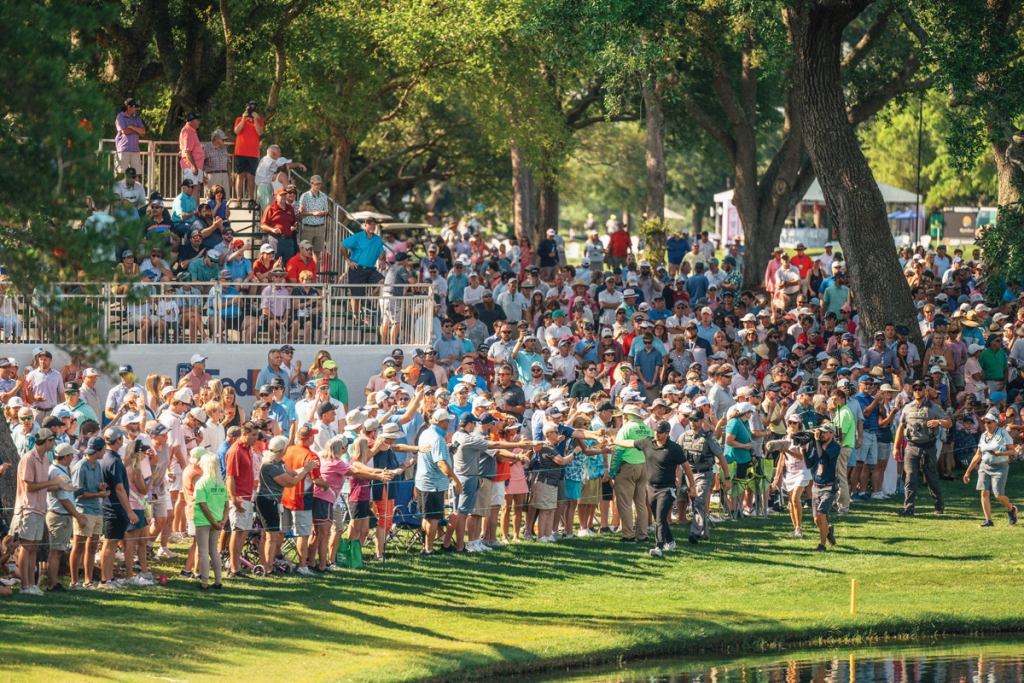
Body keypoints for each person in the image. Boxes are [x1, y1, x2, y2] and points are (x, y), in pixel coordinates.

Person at [614, 419, 695, 557]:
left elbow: (686, 467)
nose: (657, 434)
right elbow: (629, 443)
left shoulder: (674, 448)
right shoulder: (647, 442)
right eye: (656, 431)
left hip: (667, 488)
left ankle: (659, 547)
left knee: (660, 518)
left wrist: (691, 485)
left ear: (667, 433)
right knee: (659, 517)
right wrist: (614, 441)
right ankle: (671, 541)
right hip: (651, 487)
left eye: (661, 432)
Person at [12, 428, 63, 595]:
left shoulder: (45, 460)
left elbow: (43, 487)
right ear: (47, 441)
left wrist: (62, 486)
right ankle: (25, 585)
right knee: (26, 548)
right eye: (53, 441)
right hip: (28, 508)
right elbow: (29, 486)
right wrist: (51, 483)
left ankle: (32, 584)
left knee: (33, 548)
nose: (54, 443)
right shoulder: (28, 459)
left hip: (40, 508)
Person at [894, 381, 952, 517]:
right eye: (915, 389)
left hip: (928, 446)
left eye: (920, 389)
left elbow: (949, 422)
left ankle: (939, 505)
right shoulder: (907, 408)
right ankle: (908, 508)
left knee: (932, 477)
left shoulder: (934, 407)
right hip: (911, 446)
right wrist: (896, 447)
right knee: (910, 477)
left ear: (925, 391)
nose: (917, 392)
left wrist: (938, 422)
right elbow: (901, 427)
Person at [677, 405, 729, 544]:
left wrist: (727, 478)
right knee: (696, 504)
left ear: (701, 421)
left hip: (704, 474)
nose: (692, 422)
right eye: (690, 419)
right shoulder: (684, 437)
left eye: (695, 419)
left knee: (699, 501)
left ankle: (695, 532)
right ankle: (705, 533)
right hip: (689, 476)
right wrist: (677, 474)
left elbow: (721, 457)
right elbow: (677, 457)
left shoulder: (709, 437)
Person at [962, 410, 1018, 527]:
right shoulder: (983, 436)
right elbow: (978, 455)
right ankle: (988, 520)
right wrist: (968, 472)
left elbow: (1012, 450)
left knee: (998, 495)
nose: (986, 425)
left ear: (995, 422)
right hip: (985, 466)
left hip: (1000, 466)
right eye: (985, 423)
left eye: (989, 423)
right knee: (984, 492)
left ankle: (1011, 509)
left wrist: (1000, 454)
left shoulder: (1003, 434)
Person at [70, 436, 109, 589]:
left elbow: (93, 487)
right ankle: (74, 582)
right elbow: (78, 493)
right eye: (103, 450)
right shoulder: (80, 467)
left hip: (96, 510)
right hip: (84, 510)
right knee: (78, 546)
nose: (104, 452)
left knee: (92, 546)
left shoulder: (97, 465)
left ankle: (88, 581)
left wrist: (100, 487)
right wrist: (99, 495)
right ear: (97, 451)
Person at [193, 451, 229, 590]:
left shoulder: (202, 482)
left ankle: (205, 582)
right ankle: (218, 581)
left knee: (203, 551)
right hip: (218, 521)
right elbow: (227, 504)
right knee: (214, 550)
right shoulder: (220, 484)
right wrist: (223, 520)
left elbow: (202, 504)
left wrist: (213, 521)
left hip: (204, 521)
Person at [805, 422, 841, 552]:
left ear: (832, 433)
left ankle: (822, 545)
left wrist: (816, 441)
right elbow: (809, 463)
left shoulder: (835, 447)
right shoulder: (816, 445)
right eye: (821, 432)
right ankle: (828, 529)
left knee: (821, 515)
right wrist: (804, 449)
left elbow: (822, 455)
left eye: (825, 432)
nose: (822, 434)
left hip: (828, 486)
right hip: (816, 486)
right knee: (817, 519)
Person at [340, 217, 385, 316]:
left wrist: (382, 261)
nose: (372, 226)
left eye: (374, 224)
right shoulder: (357, 237)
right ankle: (356, 317)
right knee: (356, 296)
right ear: (365, 225)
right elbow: (342, 245)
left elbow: (381, 251)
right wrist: (348, 260)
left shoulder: (378, 238)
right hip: (356, 268)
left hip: (370, 269)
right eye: (370, 224)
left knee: (382, 281)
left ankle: (369, 302)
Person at [233, 101, 265, 200]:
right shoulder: (239, 119)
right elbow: (236, 131)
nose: (252, 109)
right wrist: (244, 118)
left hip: (253, 154)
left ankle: (251, 198)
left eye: (254, 107)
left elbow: (259, 133)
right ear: (246, 108)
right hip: (240, 152)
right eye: (250, 107)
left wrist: (255, 119)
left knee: (251, 176)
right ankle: (239, 198)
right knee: (240, 175)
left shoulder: (259, 121)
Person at [261, 188, 299, 264]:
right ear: (276, 196)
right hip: (275, 239)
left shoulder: (290, 208)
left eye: (285, 195)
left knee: (290, 264)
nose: (284, 197)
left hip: (288, 239)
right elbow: (263, 225)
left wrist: (294, 226)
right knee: (273, 263)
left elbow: (295, 221)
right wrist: (272, 229)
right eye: (281, 195)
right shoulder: (270, 209)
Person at [297, 176, 329, 252]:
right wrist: (313, 213)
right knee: (305, 251)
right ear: (311, 183)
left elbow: (326, 210)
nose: (318, 186)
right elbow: (300, 212)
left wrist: (323, 213)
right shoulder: (304, 196)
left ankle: (316, 264)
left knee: (317, 252)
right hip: (308, 227)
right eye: (316, 184)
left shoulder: (324, 196)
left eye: (319, 184)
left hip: (320, 227)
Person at [114, 98, 146, 174]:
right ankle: (119, 186)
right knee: (120, 173)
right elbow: (124, 131)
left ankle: (136, 186)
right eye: (135, 106)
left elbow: (143, 131)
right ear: (129, 107)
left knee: (136, 174)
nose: (137, 109)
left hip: (135, 149)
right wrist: (137, 129)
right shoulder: (120, 117)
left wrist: (132, 127)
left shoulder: (137, 118)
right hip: (123, 149)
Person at [179, 112, 205, 191]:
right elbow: (187, 151)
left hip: (196, 165)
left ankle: (195, 204)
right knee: (191, 190)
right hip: (191, 166)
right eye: (198, 120)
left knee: (196, 190)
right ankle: (191, 204)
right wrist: (194, 166)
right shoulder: (188, 131)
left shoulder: (191, 131)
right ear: (193, 121)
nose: (199, 122)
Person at [202, 129, 231, 199]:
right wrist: (202, 176)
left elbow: (228, 163)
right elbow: (201, 163)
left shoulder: (224, 148)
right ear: (216, 139)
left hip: (224, 175)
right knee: (212, 198)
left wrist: (230, 177)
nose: (224, 141)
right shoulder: (206, 147)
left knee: (226, 198)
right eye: (223, 139)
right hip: (212, 175)